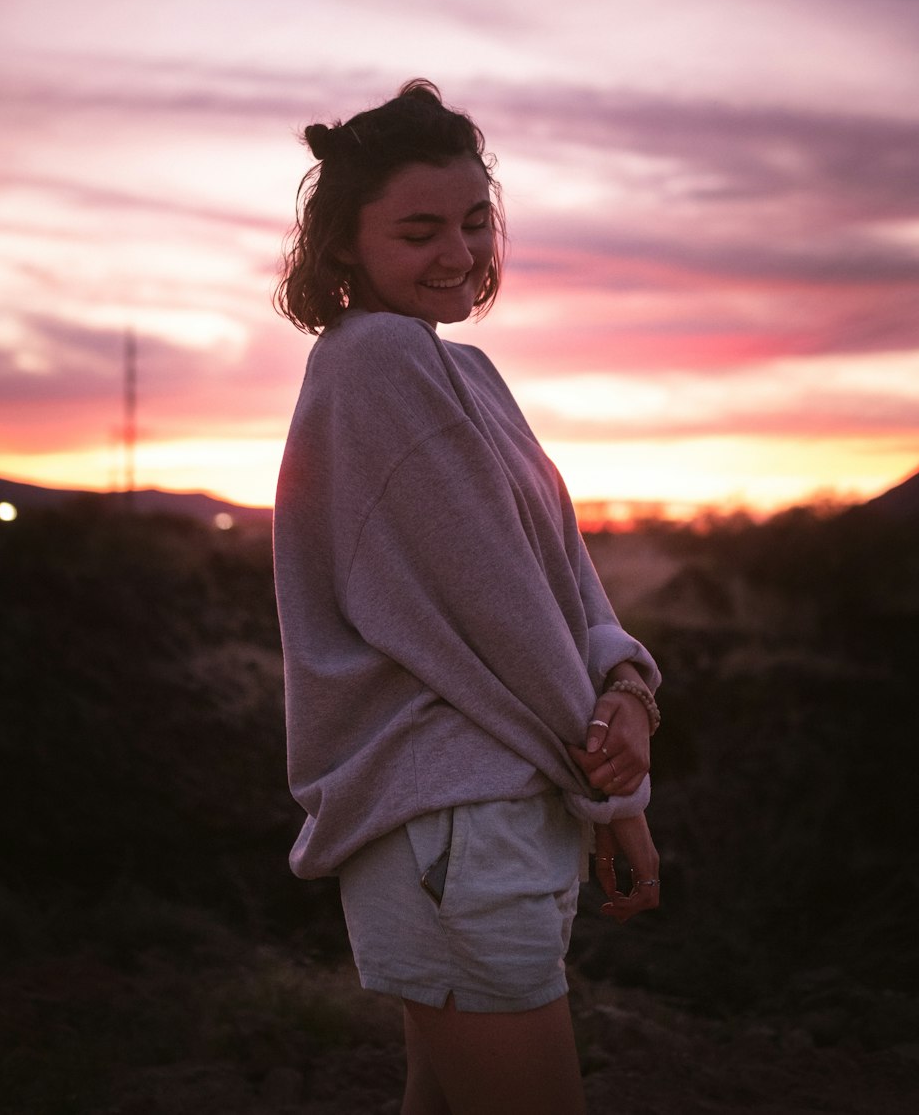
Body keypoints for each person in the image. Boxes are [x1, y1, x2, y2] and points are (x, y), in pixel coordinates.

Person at [272, 80, 661, 1115]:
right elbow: (500, 616)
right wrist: (613, 798)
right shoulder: (379, 364)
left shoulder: (469, 371)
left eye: (475, 220)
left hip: (491, 802)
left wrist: (627, 685)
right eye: (418, 230)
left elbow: (560, 575)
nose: (459, 252)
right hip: (456, 817)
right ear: (345, 247)